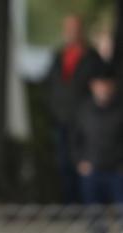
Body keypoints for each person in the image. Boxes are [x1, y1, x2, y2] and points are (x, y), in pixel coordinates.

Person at [45, 15, 103, 204]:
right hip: (62, 119)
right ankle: (68, 204)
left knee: (83, 163)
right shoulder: (58, 56)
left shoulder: (92, 57)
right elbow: (50, 85)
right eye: (68, 29)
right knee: (64, 164)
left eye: (75, 29)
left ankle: (85, 206)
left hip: (84, 122)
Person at [71, 64, 123, 206]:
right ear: (93, 86)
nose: (103, 88)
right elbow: (75, 139)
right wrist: (80, 162)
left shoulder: (120, 109)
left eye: (107, 84)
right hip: (92, 170)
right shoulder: (84, 110)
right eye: (100, 84)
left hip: (117, 171)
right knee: (94, 215)